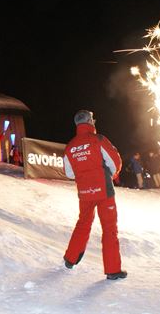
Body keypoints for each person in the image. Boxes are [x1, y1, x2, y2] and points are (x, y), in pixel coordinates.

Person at [63, 110, 126, 280]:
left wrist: (84, 177)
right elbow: (115, 162)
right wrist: (109, 175)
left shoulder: (70, 146)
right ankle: (112, 269)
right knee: (109, 228)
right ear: (90, 121)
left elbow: (69, 173)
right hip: (104, 191)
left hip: (84, 193)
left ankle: (70, 258)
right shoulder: (98, 140)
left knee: (83, 223)